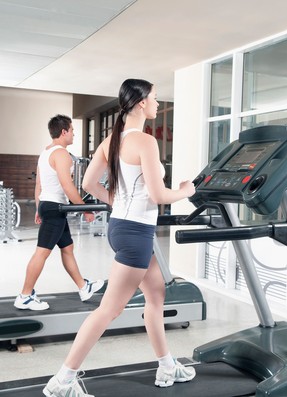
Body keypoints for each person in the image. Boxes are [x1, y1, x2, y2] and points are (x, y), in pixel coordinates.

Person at [43, 79, 196, 397]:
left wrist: (120, 203)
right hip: (136, 234)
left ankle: (167, 366)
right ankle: (64, 380)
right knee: (108, 310)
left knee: (155, 297)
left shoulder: (111, 140)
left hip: (122, 227)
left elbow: (88, 183)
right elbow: (158, 194)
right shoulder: (145, 142)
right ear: (141, 103)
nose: (157, 103)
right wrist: (186, 190)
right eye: (154, 98)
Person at [14, 115, 103, 311]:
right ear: (64, 132)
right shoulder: (61, 154)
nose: (73, 134)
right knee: (42, 252)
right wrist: (85, 209)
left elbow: (39, 185)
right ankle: (25, 295)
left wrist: (39, 207)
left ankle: (83, 287)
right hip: (56, 208)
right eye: (72, 130)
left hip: (49, 205)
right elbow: (67, 185)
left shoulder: (44, 153)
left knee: (67, 248)